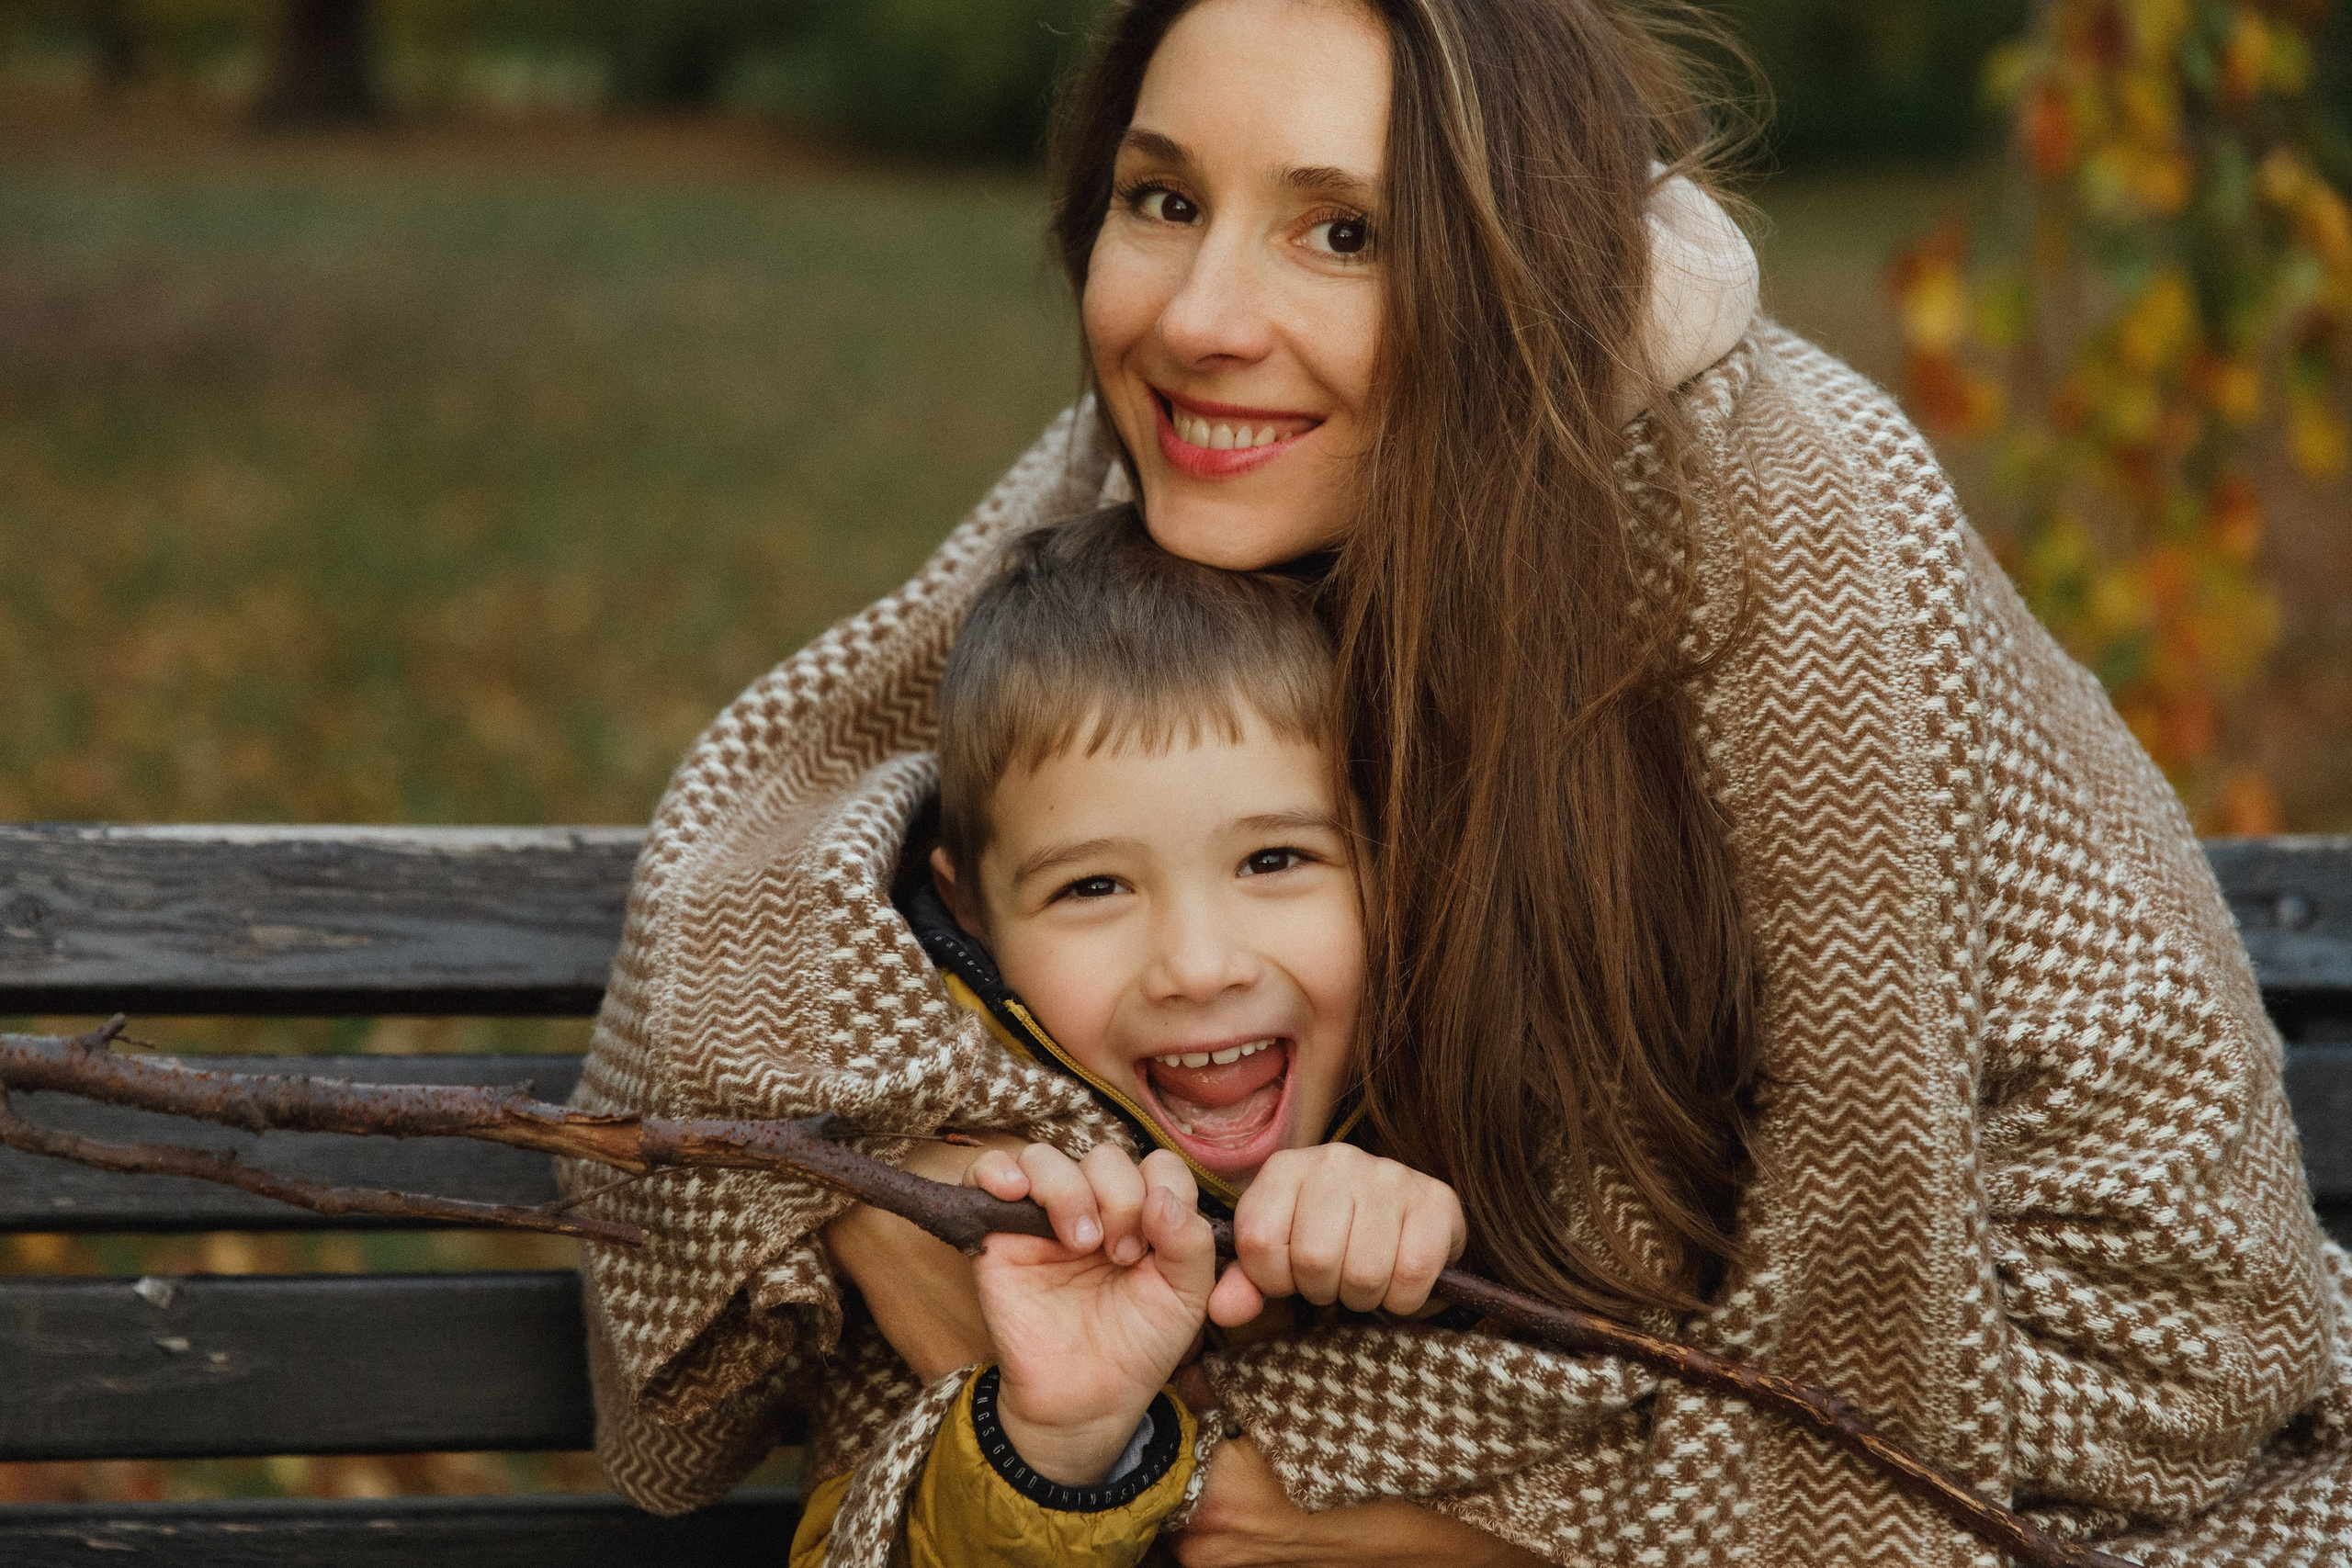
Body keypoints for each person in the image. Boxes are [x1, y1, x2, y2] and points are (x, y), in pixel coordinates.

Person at [561, 1, 2352, 1563]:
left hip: (2075, 1397)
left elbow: (1870, 1314)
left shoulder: (1773, 512)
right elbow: (762, 809)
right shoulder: (1210, 440)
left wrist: (1487, 1543)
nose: (1198, 314)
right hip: (1537, 1340)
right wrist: (890, 1157)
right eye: (1159, 198)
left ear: (1514, 266)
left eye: (1340, 230)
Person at [786, 505, 1466, 1563]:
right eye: (1093, 886)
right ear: (971, 916)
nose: (1199, 965)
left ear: (1390, 859)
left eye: (1274, 861)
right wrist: (1053, 1446)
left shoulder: (1473, 1111)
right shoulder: (959, 1221)